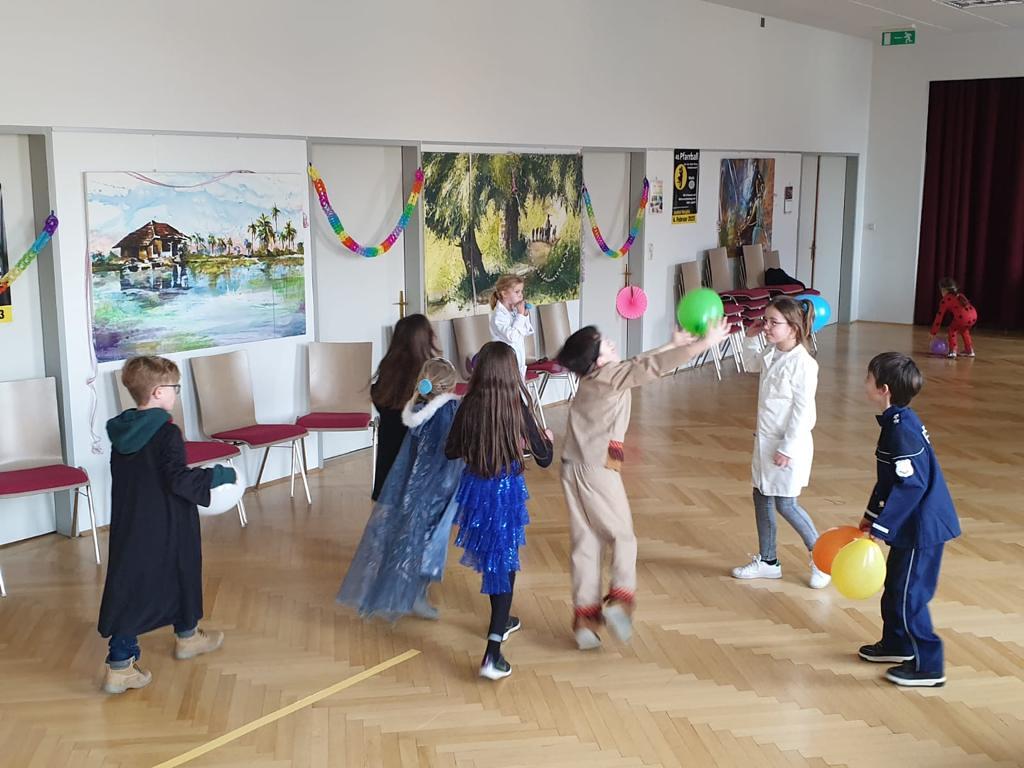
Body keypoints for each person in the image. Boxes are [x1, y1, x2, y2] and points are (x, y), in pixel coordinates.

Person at [555, 318, 729, 651]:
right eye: (603, 342)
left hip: (571, 467)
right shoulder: (610, 377)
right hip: (596, 471)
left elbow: (637, 364)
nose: (610, 342)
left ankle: (586, 621)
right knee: (623, 537)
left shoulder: (594, 378)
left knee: (586, 544)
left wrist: (672, 344)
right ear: (597, 360)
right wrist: (704, 344)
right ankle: (620, 602)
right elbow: (649, 368)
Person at [98, 356, 236, 694]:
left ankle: (185, 636)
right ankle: (122, 667)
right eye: (175, 387)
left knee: (131, 582)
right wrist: (217, 475)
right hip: (168, 521)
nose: (177, 393)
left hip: (132, 522)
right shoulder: (166, 432)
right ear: (159, 392)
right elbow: (178, 480)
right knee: (181, 569)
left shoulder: (122, 430)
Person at [445, 342, 553, 680]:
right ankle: (492, 652)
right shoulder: (516, 407)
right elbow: (545, 458)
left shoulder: (468, 405)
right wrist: (546, 439)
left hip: (476, 491)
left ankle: (502, 621)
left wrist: (476, 444)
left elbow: (450, 451)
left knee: (495, 559)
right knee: (504, 561)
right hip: (505, 492)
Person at [857, 352, 960, 687]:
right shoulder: (897, 421)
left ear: (883, 389)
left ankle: (929, 666)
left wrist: (883, 526)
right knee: (895, 587)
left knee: (910, 595)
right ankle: (897, 644)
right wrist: (872, 516)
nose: (864, 382)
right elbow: (889, 481)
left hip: (921, 528)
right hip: (909, 524)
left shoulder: (902, 431)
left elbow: (911, 485)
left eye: (868, 378)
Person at [337, 358, 464, 621]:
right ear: (450, 386)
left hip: (414, 492)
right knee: (429, 543)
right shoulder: (448, 412)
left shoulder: (418, 411)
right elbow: (446, 455)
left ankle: (411, 593)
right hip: (437, 493)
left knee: (411, 539)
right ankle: (415, 594)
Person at [731, 297, 831, 590]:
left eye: (773, 322)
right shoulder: (771, 352)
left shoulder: (804, 364)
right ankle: (768, 561)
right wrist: (750, 338)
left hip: (787, 446)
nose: (766, 326)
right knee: (761, 496)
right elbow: (750, 364)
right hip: (764, 441)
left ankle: (822, 559)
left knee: (786, 504)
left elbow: (803, 413)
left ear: (793, 329)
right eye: (765, 320)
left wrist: (788, 448)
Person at [371, 314, 440, 500]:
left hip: (390, 459)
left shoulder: (388, 370)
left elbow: (378, 398)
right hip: (417, 460)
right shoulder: (428, 375)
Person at [488, 274, 534, 379]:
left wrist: (525, 315)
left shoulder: (514, 311)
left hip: (518, 360)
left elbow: (526, 331)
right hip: (505, 364)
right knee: (510, 388)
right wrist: (520, 315)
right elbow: (512, 337)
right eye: (517, 292)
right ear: (504, 293)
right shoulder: (498, 315)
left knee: (520, 386)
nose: (521, 295)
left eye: (521, 291)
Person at [929, 277, 977, 359]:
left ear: (944, 290)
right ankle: (969, 351)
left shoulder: (945, 300)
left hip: (963, 318)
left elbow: (939, 317)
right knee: (964, 331)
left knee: (952, 330)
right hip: (973, 316)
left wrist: (933, 332)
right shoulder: (960, 295)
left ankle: (952, 351)